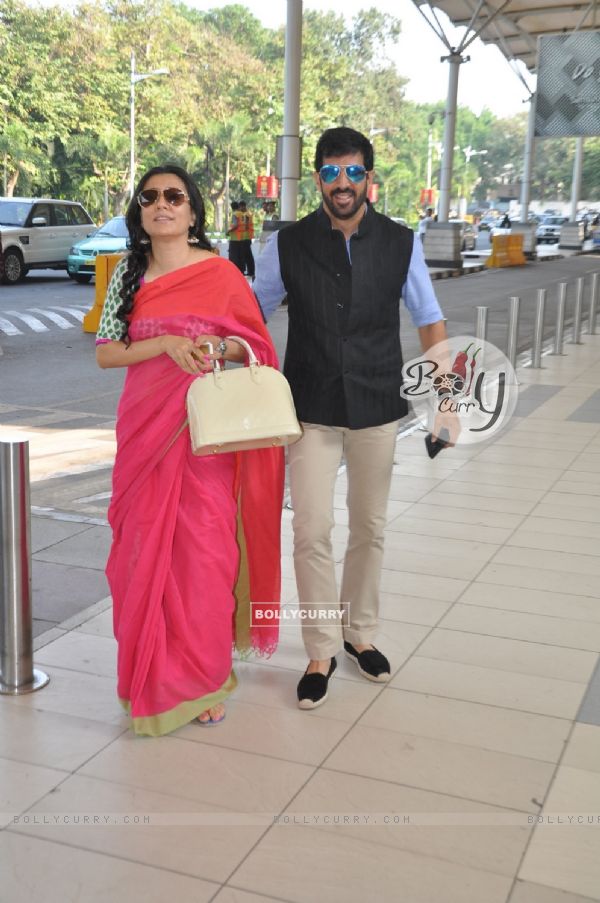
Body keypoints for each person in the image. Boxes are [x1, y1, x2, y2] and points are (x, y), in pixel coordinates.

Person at [254, 126, 452, 710]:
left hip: (375, 402)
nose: (343, 183)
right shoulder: (285, 245)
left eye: (354, 172)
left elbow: (430, 319)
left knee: (370, 527)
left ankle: (359, 633)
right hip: (310, 406)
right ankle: (320, 648)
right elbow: (251, 313)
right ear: (317, 179)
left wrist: (446, 399)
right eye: (331, 172)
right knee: (311, 530)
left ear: (370, 178)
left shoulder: (401, 242)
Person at [96, 165, 284, 736]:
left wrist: (216, 345)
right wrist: (166, 343)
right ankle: (150, 678)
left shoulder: (223, 274)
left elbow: (254, 347)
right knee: (141, 555)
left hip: (207, 438)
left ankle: (204, 678)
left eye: (174, 196)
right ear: (141, 212)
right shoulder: (127, 273)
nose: (162, 205)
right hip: (145, 436)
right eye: (150, 197)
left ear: (194, 211)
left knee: (205, 555)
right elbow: (107, 352)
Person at [237, 200, 255, 278]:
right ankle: (250, 271)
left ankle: (250, 271)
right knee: (246, 255)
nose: (240, 208)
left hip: (246, 237)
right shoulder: (245, 214)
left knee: (247, 255)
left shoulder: (247, 214)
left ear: (243, 206)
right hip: (245, 237)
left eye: (240, 207)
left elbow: (246, 226)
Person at [226, 200, 243, 272]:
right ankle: (241, 270)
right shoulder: (242, 214)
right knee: (240, 256)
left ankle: (233, 270)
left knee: (234, 256)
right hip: (242, 238)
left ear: (232, 207)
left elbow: (235, 225)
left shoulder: (234, 214)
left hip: (235, 239)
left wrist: (228, 231)